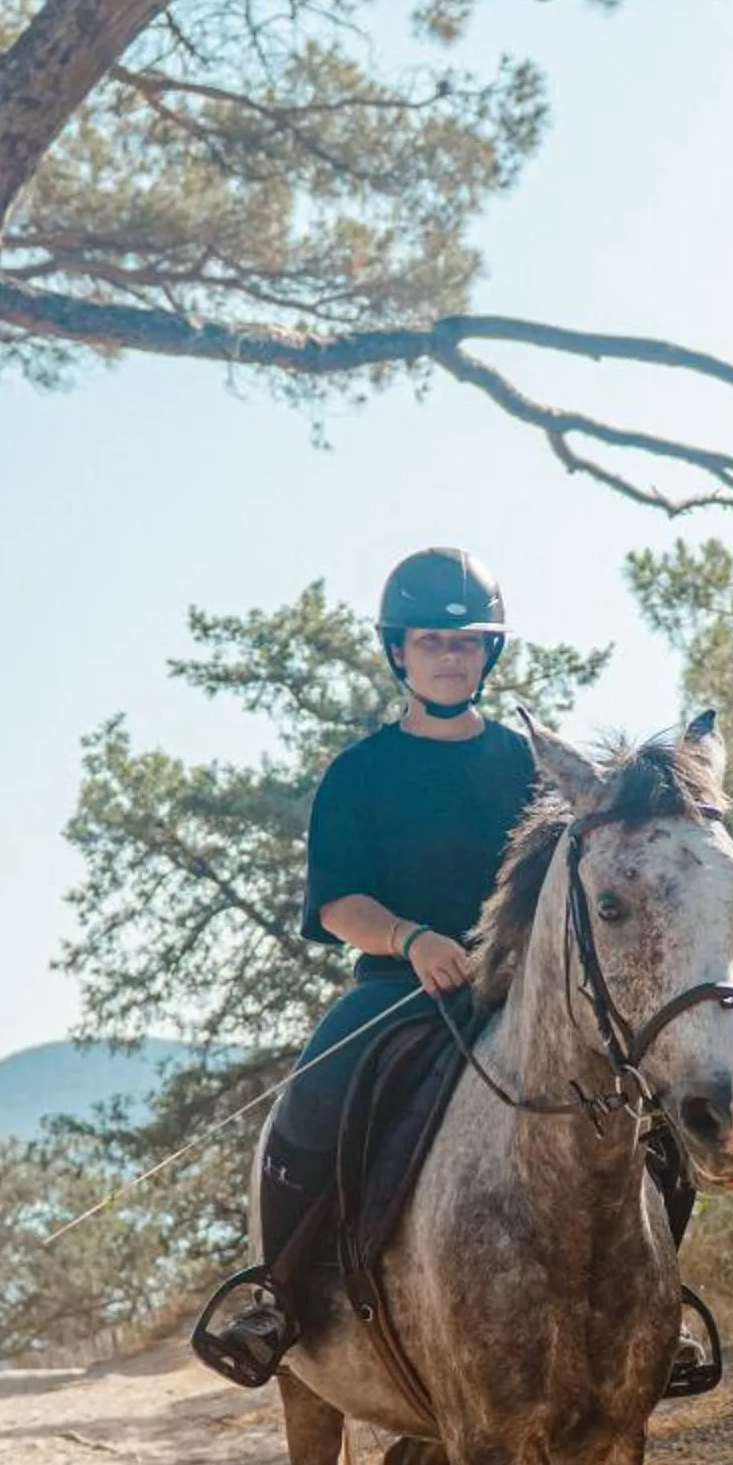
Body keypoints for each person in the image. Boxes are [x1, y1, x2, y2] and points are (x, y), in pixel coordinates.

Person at [197, 547, 537, 1386]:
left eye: (467, 643)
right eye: (432, 642)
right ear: (398, 652)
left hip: (522, 991)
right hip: (402, 988)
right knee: (311, 1100)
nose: (450, 657)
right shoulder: (359, 773)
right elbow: (338, 903)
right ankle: (276, 1300)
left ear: (488, 654)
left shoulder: (529, 765)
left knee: (643, 1097)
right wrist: (415, 939)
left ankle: (656, 1302)